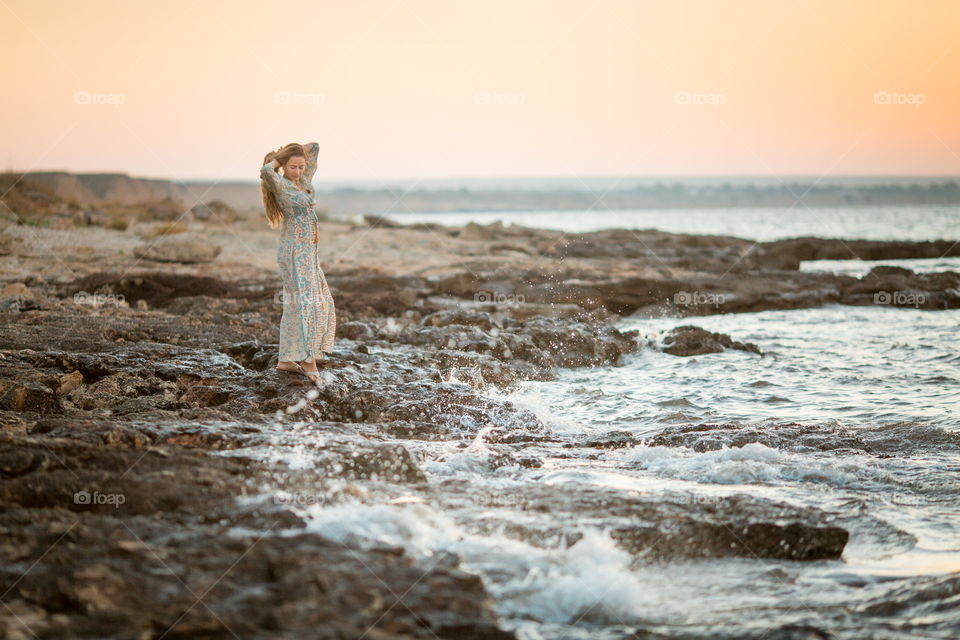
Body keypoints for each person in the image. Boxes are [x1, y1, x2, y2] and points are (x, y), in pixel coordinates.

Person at [259, 142, 336, 384]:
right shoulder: (280, 185)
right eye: (293, 167)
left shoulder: (302, 182)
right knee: (307, 304)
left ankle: (285, 360)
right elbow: (265, 171)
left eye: (301, 167)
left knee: (299, 305)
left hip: (308, 253)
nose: (298, 171)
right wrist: (278, 161)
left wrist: (293, 151)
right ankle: (308, 361)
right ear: (284, 167)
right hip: (294, 253)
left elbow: (315, 147)